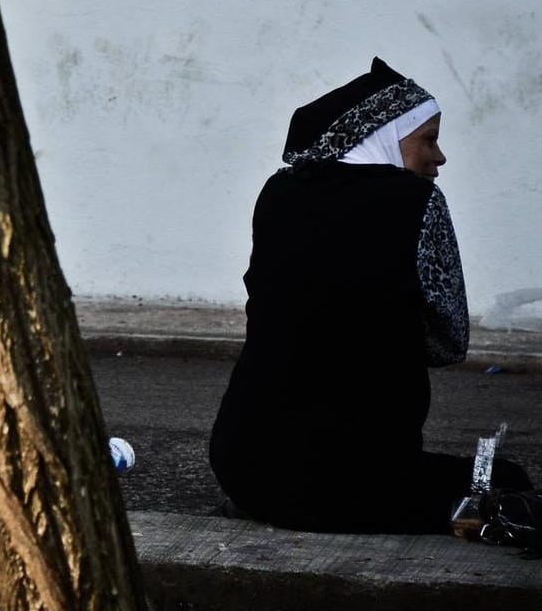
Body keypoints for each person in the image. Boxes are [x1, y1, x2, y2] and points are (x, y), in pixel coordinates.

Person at [209, 58, 531, 534]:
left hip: (244, 465)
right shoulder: (415, 202)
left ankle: (276, 504)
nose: (438, 157)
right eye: (429, 138)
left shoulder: (279, 192)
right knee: (504, 478)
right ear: (386, 135)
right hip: (353, 479)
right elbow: (449, 343)